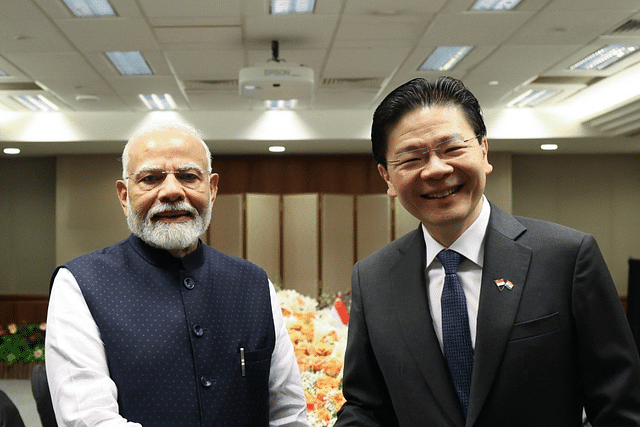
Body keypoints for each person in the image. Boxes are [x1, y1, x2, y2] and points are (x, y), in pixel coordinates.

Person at [335, 77, 640, 426]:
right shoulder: (373, 279)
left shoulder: (567, 258)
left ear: (483, 151)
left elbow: (619, 404)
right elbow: (366, 407)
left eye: (451, 149)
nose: (436, 169)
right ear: (386, 176)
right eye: (411, 158)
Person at [45, 122, 308, 427]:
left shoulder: (253, 283)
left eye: (188, 176)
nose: (171, 191)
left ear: (211, 189)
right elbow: (89, 420)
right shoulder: (79, 284)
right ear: (123, 195)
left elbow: (288, 413)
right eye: (151, 178)